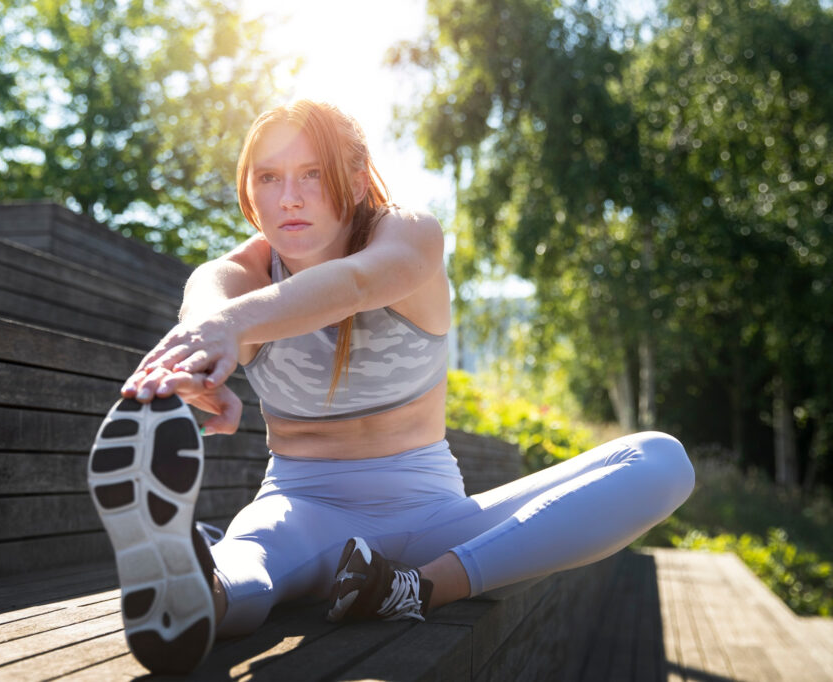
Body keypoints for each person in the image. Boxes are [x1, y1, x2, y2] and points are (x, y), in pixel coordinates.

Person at [86, 100, 696, 674]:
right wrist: (186, 369)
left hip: (434, 517)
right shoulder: (235, 277)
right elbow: (205, 304)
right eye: (268, 177)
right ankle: (197, 594)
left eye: (312, 174)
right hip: (301, 505)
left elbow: (356, 283)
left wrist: (226, 326)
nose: (289, 197)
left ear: (354, 181)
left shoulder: (408, 235)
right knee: (254, 558)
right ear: (249, 188)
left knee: (661, 460)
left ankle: (420, 588)